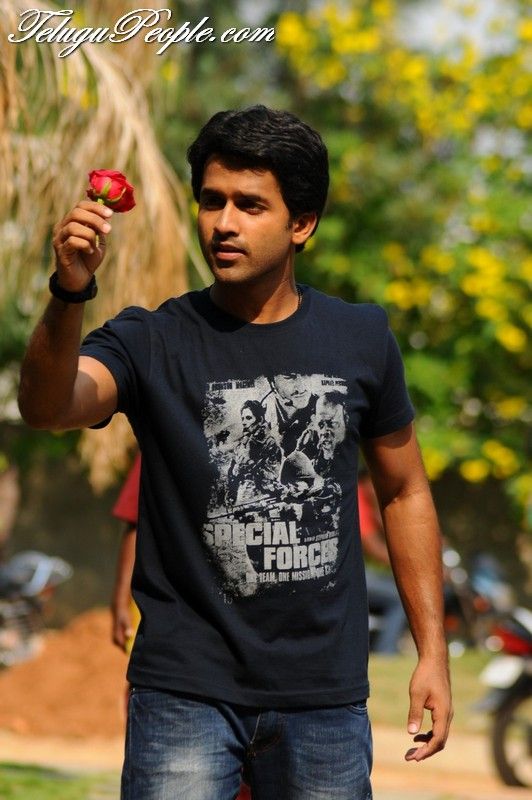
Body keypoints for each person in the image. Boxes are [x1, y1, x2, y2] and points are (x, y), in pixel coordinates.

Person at [18, 105, 452, 800]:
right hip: (183, 692)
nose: (223, 223)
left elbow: (405, 492)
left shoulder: (362, 338)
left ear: (301, 223)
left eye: (250, 205)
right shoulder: (149, 340)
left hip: (324, 697)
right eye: (211, 201)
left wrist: (432, 651)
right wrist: (70, 291)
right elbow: (47, 407)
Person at [358, 469, 408, 655]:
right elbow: (373, 548)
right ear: (365, 482)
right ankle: (386, 651)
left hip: (360, 572)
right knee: (401, 597)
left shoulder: (369, 502)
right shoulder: (356, 499)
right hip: (350, 575)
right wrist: (409, 563)